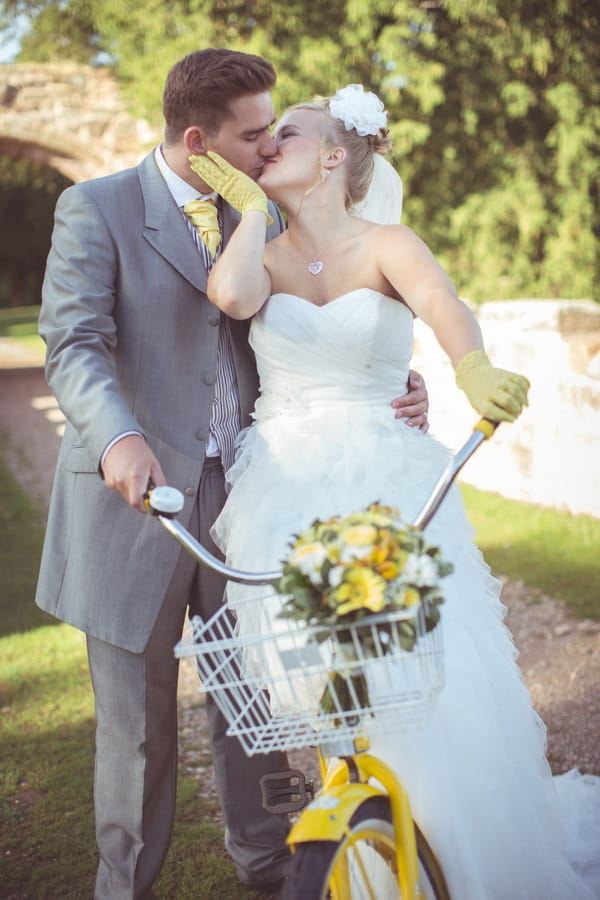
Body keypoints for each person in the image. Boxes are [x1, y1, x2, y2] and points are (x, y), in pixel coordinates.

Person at [35, 51, 429, 899]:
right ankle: (124, 886)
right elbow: (73, 345)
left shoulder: (267, 214)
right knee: (136, 730)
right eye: (255, 134)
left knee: (254, 702)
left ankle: (271, 869)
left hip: (247, 496)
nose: (268, 146)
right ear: (196, 136)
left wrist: (400, 380)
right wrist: (114, 439)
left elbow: (332, 309)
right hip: (132, 502)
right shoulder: (96, 208)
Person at [190, 84, 600, 898]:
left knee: (426, 679)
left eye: (289, 135)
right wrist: (242, 212)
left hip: (384, 473)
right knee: (327, 687)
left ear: (335, 156)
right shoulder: (262, 253)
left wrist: (470, 366)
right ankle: (365, 847)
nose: (267, 146)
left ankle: (462, 849)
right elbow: (231, 300)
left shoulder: (388, 241)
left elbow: (443, 304)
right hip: (284, 485)